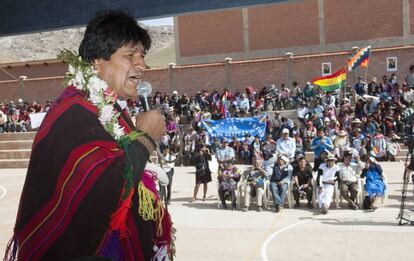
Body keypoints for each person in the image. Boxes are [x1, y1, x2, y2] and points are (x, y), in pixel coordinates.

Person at [4, 11, 174, 261]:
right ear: (97, 62)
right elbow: (106, 184)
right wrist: (146, 138)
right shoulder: (74, 112)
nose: (142, 65)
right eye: (130, 55)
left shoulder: (107, 107)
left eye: (143, 56)